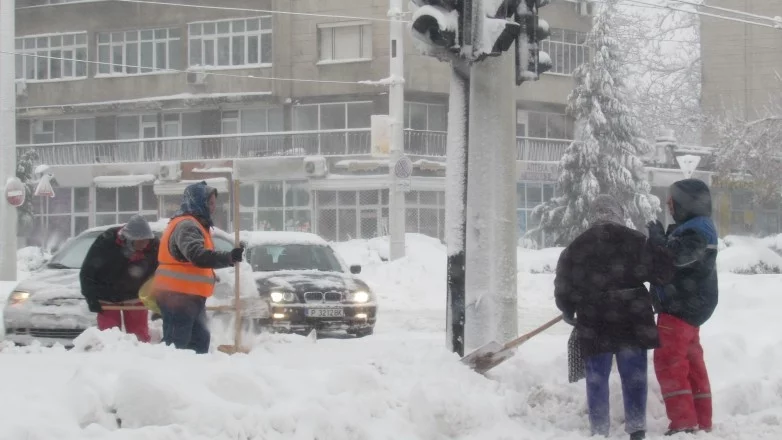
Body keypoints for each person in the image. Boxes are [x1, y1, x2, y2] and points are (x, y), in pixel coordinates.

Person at [555, 194, 674, 440]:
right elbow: (661, 274)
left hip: (595, 318)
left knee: (596, 377)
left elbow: (564, 283)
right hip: (633, 317)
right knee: (634, 375)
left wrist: (567, 309)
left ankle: (599, 430)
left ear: (593, 214)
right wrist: (659, 249)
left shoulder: (578, 245)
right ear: (619, 213)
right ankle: (637, 428)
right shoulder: (636, 240)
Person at [647, 179, 718, 436]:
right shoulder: (696, 227)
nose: (669, 208)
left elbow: (678, 258)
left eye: (672, 203)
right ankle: (701, 420)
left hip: (679, 308)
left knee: (670, 364)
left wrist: (658, 242)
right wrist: (666, 238)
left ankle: (683, 424)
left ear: (686, 204)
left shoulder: (696, 231)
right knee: (691, 364)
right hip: (690, 309)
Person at [152, 181, 243, 354]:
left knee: (199, 342)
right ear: (197, 202)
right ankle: (171, 378)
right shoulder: (187, 225)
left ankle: (194, 378)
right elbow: (197, 256)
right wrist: (228, 257)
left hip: (191, 296)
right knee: (177, 346)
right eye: (209, 203)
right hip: (177, 297)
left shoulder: (197, 224)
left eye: (214, 203)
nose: (213, 207)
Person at [80, 215, 158, 343]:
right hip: (107, 294)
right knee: (109, 336)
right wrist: (91, 298)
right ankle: (110, 359)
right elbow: (87, 272)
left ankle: (140, 359)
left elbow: (159, 273)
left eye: (147, 241)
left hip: (136, 294)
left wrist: (158, 298)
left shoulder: (153, 246)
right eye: (140, 241)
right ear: (129, 239)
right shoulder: (106, 242)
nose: (145, 244)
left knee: (139, 337)